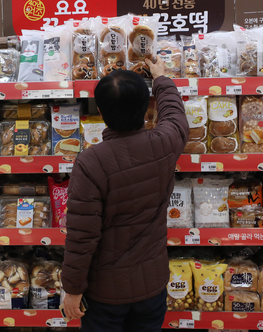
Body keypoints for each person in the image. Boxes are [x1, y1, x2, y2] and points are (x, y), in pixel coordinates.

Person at [61, 56, 189, 331]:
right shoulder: (165, 142)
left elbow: (82, 236)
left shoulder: (91, 161)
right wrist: (161, 80)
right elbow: (176, 117)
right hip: (152, 286)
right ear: (145, 108)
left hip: (106, 293)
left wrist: (72, 289)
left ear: (103, 113)